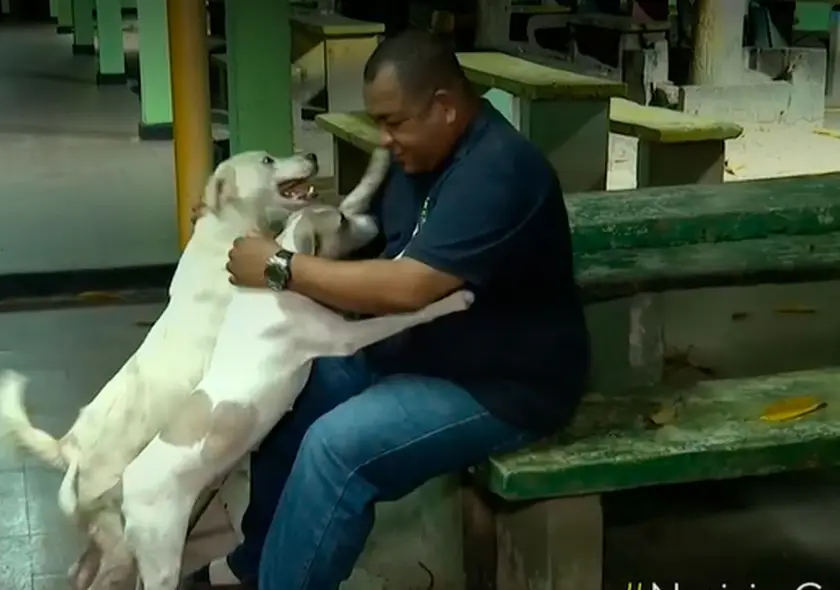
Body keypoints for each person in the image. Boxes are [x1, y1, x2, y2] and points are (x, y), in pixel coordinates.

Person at [187, 30, 589, 590]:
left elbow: (410, 286)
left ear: (445, 108)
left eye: (395, 122)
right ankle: (252, 566)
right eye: (378, 121)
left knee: (337, 449)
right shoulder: (419, 156)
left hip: (503, 386)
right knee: (292, 390)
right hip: (417, 350)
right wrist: (236, 222)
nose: (384, 139)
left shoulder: (499, 170)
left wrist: (279, 266)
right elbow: (362, 240)